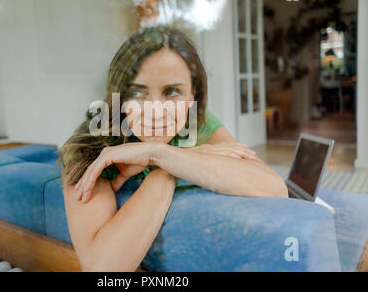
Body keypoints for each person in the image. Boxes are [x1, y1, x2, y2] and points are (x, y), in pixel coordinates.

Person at [57, 26, 288, 271]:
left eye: (172, 92)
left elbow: (274, 187)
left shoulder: (195, 124)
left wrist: (159, 156)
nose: (156, 112)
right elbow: (104, 269)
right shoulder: (90, 148)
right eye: (137, 93)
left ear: (192, 96)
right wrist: (166, 171)